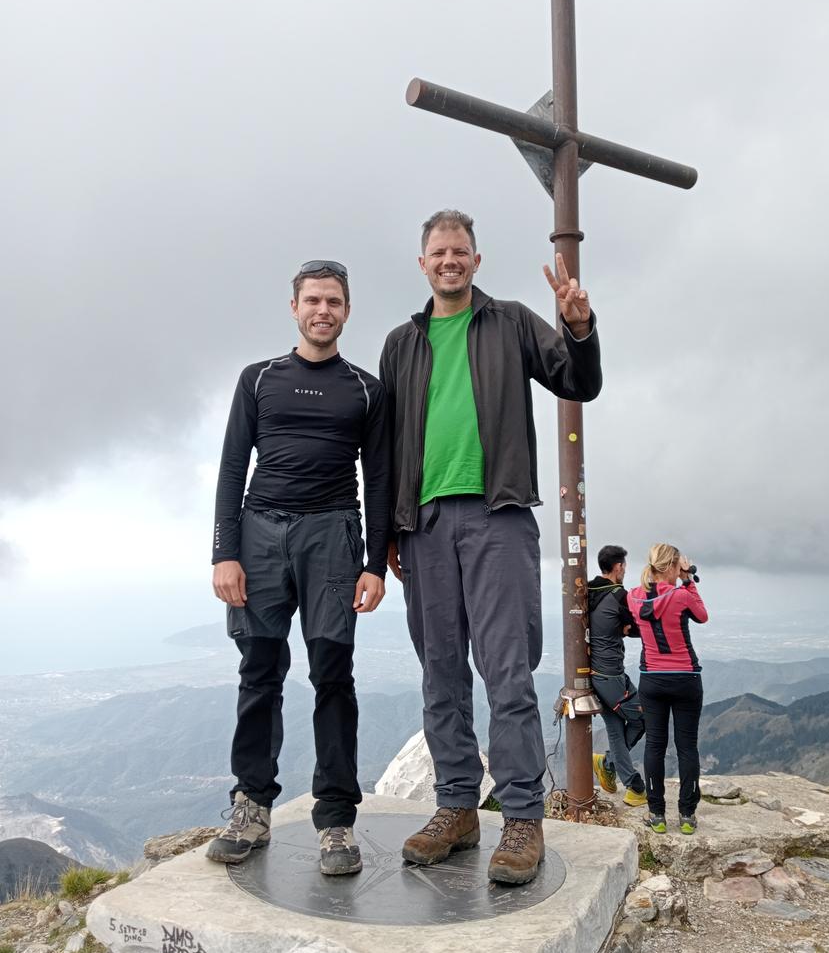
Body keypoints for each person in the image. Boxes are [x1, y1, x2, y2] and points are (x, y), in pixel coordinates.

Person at [380, 209, 602, 885]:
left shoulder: (510, 322)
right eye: (438, 252)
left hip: (498, 516)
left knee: (507, 672)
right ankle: (456, 808)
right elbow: (385, 448)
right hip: (423, 526)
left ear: (477, 261)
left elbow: (579, 382)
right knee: (440, 672)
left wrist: (579, 326)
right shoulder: (400, 344)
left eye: (460, 251)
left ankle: (523, 818)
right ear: (423, 263)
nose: (449, 260)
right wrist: (387, 529)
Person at [206, 261, 391, 876]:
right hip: (259, 533)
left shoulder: (366, 389)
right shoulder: (258, 379)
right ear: (294, 307)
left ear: (347, 310)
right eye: (313, 300)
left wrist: (374, 564)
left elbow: (379, 479)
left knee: (332, 673)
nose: (323, 311)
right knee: (259, 669)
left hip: (332, 534)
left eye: (334, 301)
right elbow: (232, 467)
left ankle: (336, 821)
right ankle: (251, 807)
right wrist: (224, 552)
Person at [627, 543, 709, 835]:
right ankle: (687, 815)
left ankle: (657, 814)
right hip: (685, 678)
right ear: (673, 566)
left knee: (654, 745)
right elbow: (702, 616)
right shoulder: (681, 595)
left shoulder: (633, 597)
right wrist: (688, 581)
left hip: (652, 679)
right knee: (687, 747)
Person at [587, 545, 647, 807]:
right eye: (624, 565)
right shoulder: (619, 595)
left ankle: (607, 764)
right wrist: (625, 628)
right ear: (618, 566)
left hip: (595, 674)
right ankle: (632, 784)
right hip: (611, 675)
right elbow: (637, 628)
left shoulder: (588, 591)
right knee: (641, 719)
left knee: (615, 728)